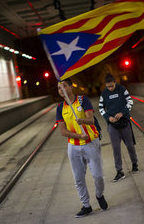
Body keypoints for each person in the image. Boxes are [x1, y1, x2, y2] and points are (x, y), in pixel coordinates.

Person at [56, 78, 108, 218]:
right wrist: (78, 136)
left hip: (90, 142)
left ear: (71, 87)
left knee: (98, 176)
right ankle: (86, 205)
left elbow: (91, 119)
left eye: (64, 86)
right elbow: (63, 131)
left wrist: (82, 120)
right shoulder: (60, 108)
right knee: (78, 178)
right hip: (73, 146)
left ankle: (99, 195)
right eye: (59, 88)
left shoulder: (83, 100)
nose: (62, 90)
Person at [99, 73, 138, 182]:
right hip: (113, 125)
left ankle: (134, 163)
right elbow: (100, 108)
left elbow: (130, 101)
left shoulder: (122, 89)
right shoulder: (104, 94)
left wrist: (123, 112)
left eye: (112, 86)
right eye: (108, 87)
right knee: (116, 148)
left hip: (124, 122)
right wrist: (108, 117)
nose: (110, 88)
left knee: (130, 145)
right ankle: (119, 171)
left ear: (115, 83)